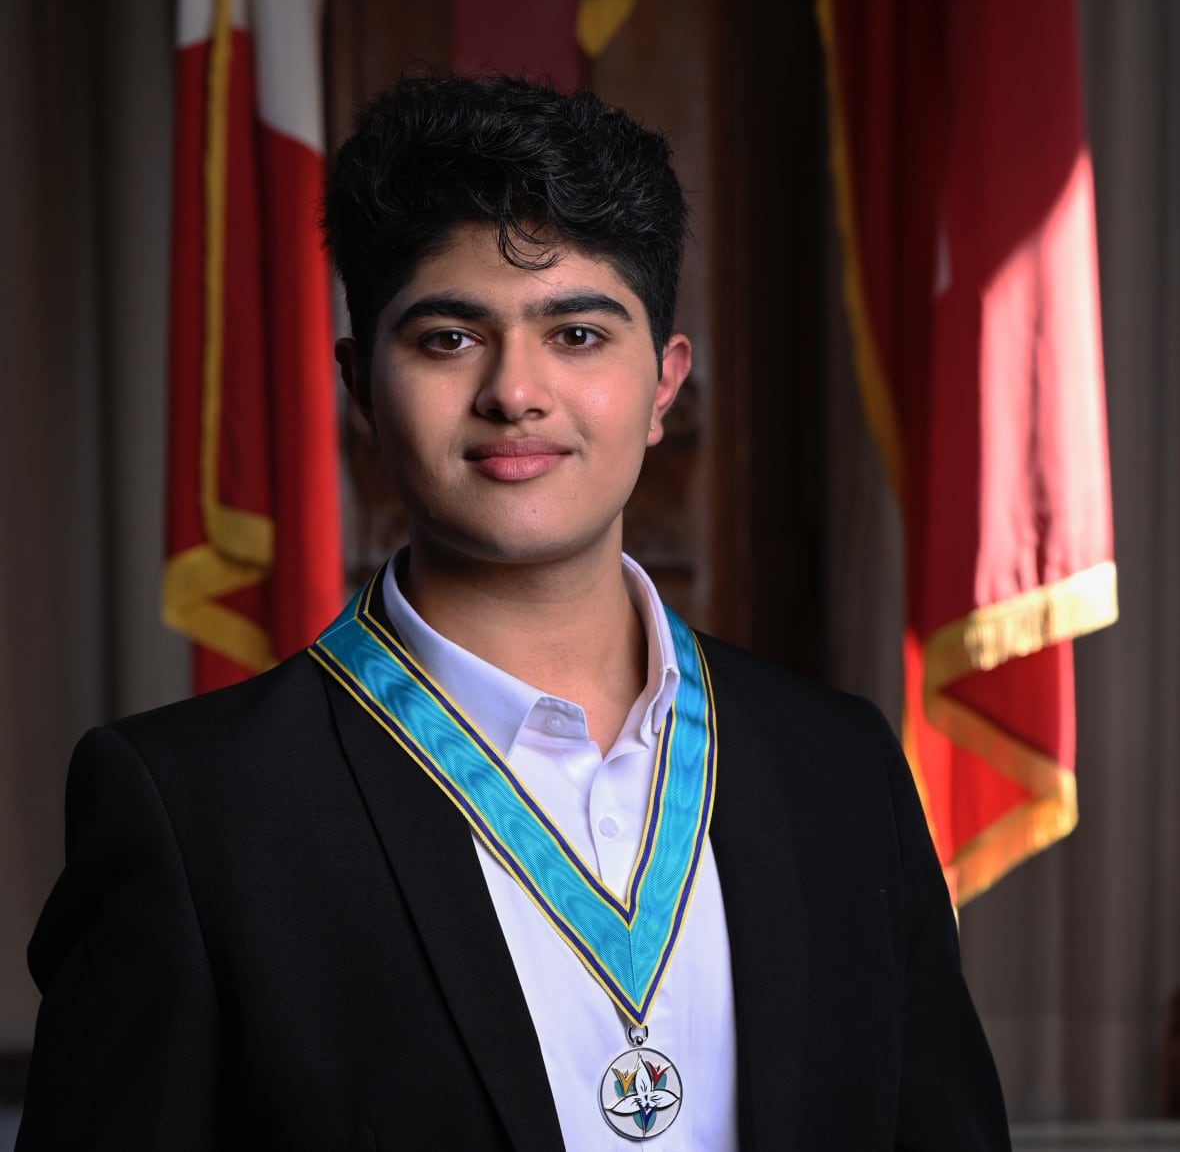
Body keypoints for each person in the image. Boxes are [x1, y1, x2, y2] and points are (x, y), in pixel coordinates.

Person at [17, 73, 1010, 1150]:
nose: (515, 392)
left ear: (664, 383)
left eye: (576, 334)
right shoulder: (196, 812)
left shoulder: (841, 767)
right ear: (360, 385)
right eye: (449, 338)